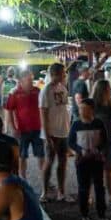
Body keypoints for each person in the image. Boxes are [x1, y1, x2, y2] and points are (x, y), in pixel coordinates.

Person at [68, 99, 109, 220]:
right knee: (83, 188)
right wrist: (80, 150)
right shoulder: (76, 125)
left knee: (99, 187)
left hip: (96, 160)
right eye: (80, 109)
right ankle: (84, 215)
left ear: (91, 110)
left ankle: (101, 215)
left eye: (84, 109)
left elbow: (105, 140)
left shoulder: (98, 123)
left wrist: (98, 149)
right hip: (82, 161)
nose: (81, 111)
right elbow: (70, 142)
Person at [39, 63, 72, 202]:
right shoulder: (46, 90)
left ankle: (61, 192)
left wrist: (67, 128)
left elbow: (64, 108)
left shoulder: (62, 87)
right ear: (55, 74)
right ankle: (44, 192)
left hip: (63, 131)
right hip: (51, 132)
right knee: (49, 161)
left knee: (63, 161)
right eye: (63, 73)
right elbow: (43, 114)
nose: (65, 75)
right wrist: (47, 136)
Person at [5, 70, 42, 180]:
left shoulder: (37, 91)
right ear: (21, 81)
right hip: (22, 130)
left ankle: (45, 179)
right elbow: (9, 111)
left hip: (37, 129)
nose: (31, 81)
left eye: (32, 79)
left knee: (41, 155)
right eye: (29, 80)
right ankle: (23, 180)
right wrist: (13, 128)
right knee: (22, 156)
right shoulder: (14, 93)